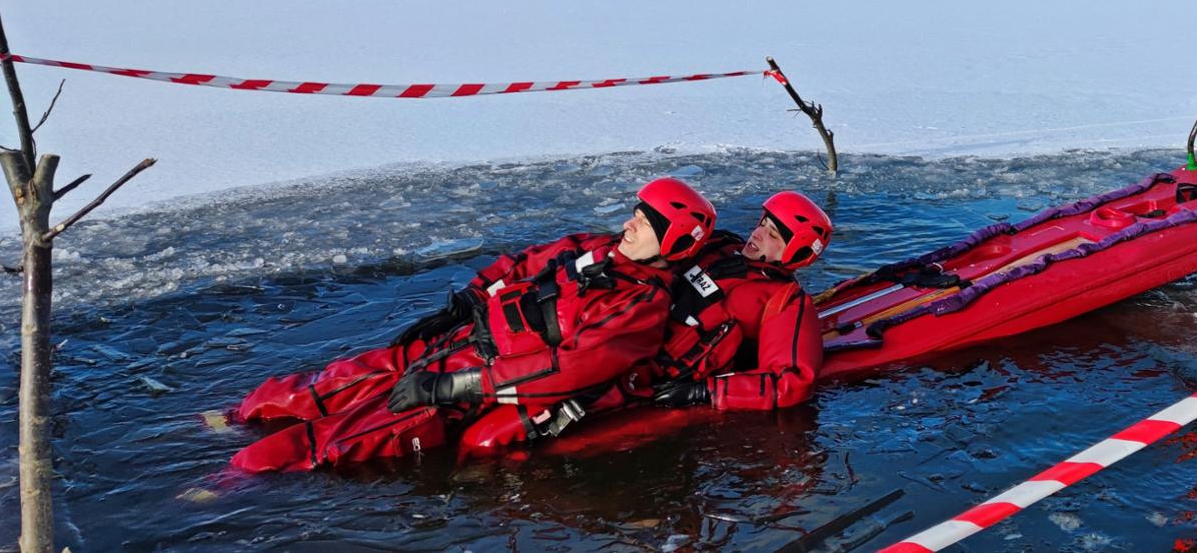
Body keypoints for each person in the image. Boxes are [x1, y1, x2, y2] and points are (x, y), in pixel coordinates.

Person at [229, 177, 717, 472]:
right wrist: (466, 300)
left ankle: (230, 482)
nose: (629, 223)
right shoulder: (596, 247)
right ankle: (235, 419)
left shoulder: (640, 307)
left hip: (487, 377)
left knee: (357, 436)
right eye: (635, 212)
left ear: (672, 241)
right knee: (345, 377)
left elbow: (565, 370)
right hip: (466, 338)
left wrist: (451, 388)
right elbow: (523, 263)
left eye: (644, 222)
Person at [457, 191, 833, 452]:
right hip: (601, 330)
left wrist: (706, 393)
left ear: (798, 250)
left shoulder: (786, 302)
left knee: (484, 438)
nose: (757, 233)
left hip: (640, 375)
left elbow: (791, 381)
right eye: (762, 223)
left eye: (772, 234)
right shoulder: (722, 245)